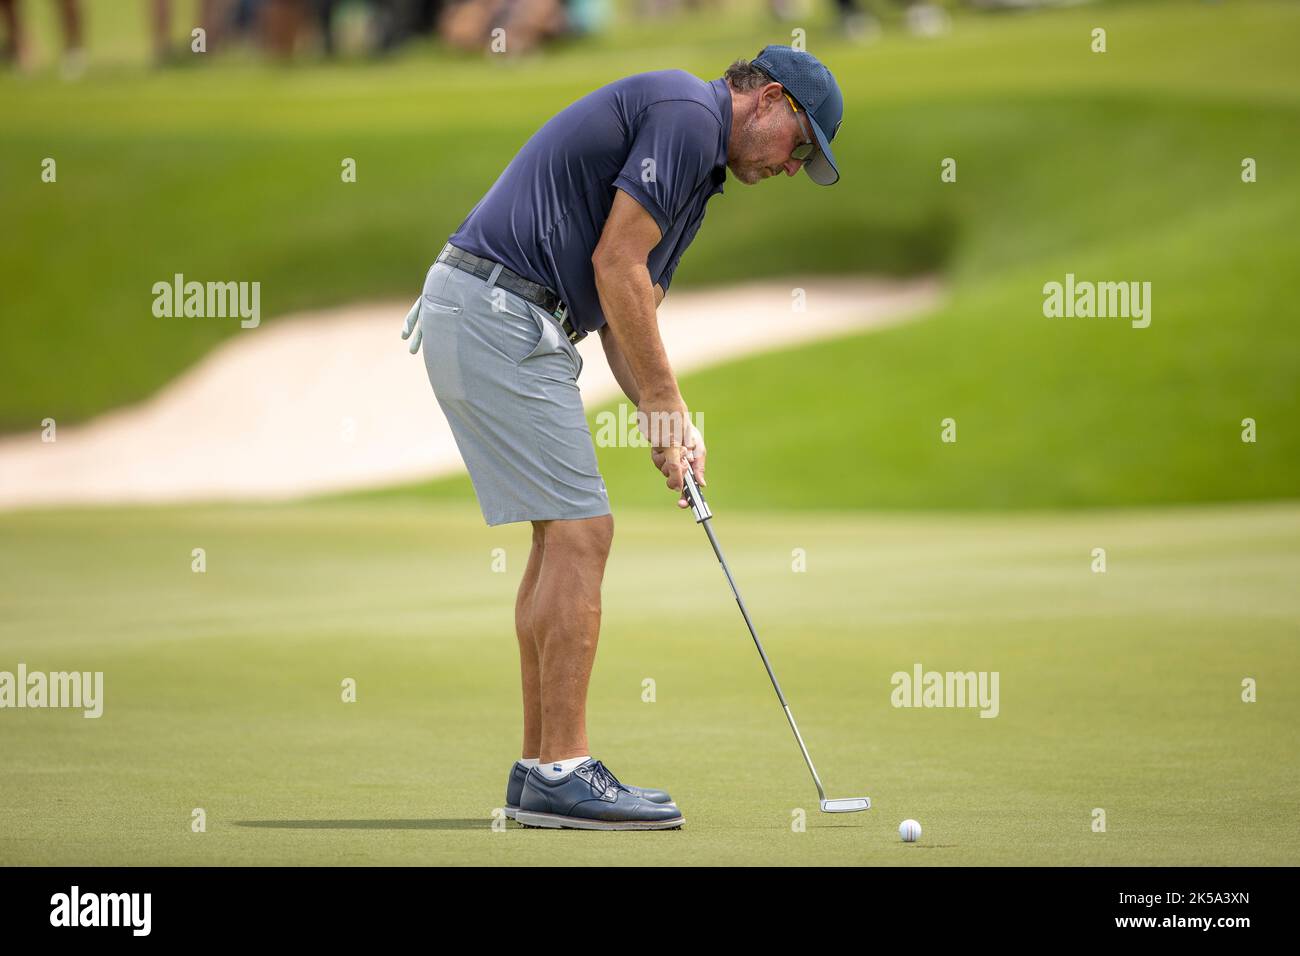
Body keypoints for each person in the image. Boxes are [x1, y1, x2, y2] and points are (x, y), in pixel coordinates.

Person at [401, 45, 844, 830]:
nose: (790, 166)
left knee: (560, 536)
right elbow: (616, 264)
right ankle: (566, 771)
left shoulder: (698, 174)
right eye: (798, 144)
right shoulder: (683, 113)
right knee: (583, 532)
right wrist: (665, 401)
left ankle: (541, 769)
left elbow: (622, 309)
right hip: (501, 309)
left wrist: (670, 423)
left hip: (493, 312)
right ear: (770, 99)